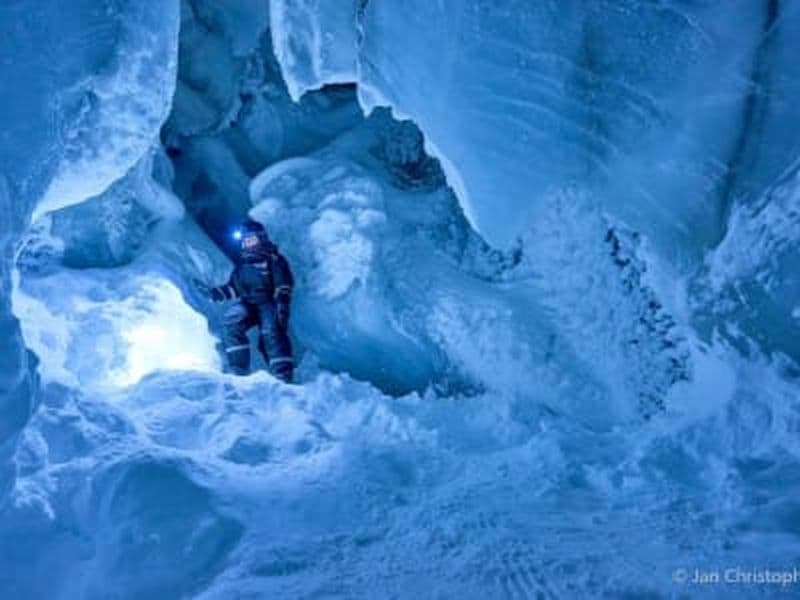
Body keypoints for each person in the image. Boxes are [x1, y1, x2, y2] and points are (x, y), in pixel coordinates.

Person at [196, 220, 295, 382]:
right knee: (231, 321)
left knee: (271, 330)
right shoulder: (242, 267)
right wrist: (213, 293)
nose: (248, 244)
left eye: (251, 240)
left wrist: (282, 305)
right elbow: (233, 288)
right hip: (249, 303)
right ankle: (239, 370)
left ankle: (283, 374)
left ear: (261, 239)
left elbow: (283, 283)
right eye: (245, 241)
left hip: (269, 302)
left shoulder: (273, 260)